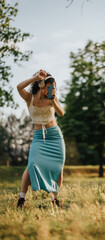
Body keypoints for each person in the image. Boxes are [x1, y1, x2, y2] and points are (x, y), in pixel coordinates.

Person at [16, 69, 66, 208]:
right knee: (32, 164)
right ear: (42, 85)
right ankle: (21, 198)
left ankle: (55, 199)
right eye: (50, 86)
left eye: (54, 86)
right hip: (39, 137)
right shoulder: (29, 98)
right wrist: (35, 79)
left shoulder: (52, 97)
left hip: (55, 136)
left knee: (59, 168)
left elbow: (61, 113)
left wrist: (53, 101)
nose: (52, 89)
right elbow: (19, 87)